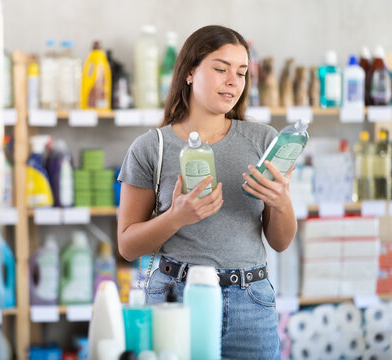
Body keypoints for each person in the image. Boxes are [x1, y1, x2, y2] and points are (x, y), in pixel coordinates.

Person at [117, 25, 296, 359]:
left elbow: (281, 242)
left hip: (251, 304)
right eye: (220, 68)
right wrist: (176, 217)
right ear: (189, 72)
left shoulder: (263, 141)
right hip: (175, 298)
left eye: (242, 73)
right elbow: (127, 245)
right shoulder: (151, 148)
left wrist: (281, 202)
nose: (233, 81)